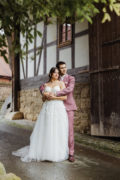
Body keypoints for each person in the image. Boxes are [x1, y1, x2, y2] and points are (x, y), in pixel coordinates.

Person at [12, 67, 69, 162]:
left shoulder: (61, 83)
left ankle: (56, 153)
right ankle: (44, 152)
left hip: (58, 108)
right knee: (46, 129)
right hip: (47, 108)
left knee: (56, 129)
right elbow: (43, 99)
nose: (57, 75)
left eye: (58, 73)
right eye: (55, 73)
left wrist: (54, 97)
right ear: (50, 74)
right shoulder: (45, 85)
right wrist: (45, 96)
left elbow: (65, 97)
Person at [40, 61, 77, 162]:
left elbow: (69, 89)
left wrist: (55, 93)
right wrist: (43, 91)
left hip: (68, 107)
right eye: (61, 68)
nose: (64, 69)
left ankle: (71, 153)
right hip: (56, 108)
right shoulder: (55, 78)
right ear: (57, 69)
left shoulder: (71, 78)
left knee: (69, 131)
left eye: (65, 67)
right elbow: (42, 87)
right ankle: (58, 151)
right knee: (56, 130)